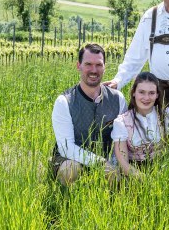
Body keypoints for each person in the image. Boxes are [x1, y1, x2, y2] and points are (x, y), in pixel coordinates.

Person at [50, 43, 127, 186]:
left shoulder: (118, 99)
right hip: (70, 159)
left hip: (106, 162)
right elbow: (66, 148)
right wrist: (101, 163)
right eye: (88, 64)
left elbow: (121, 139)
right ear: (78, 65)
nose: (94, 70)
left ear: (104, 67)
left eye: (98, 65)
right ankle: (65, 198)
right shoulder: (64, 101)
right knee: (70, 170)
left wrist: (115, 165)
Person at [108, 72, 169, 179]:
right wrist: (148, 181)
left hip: (164, 169)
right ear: (134, 93)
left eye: (151, 93)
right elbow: (123, 164)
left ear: (157, 95)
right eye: (141, 92)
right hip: (133, 173)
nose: (146, 98)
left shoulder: (167, 115)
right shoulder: (122, 122)